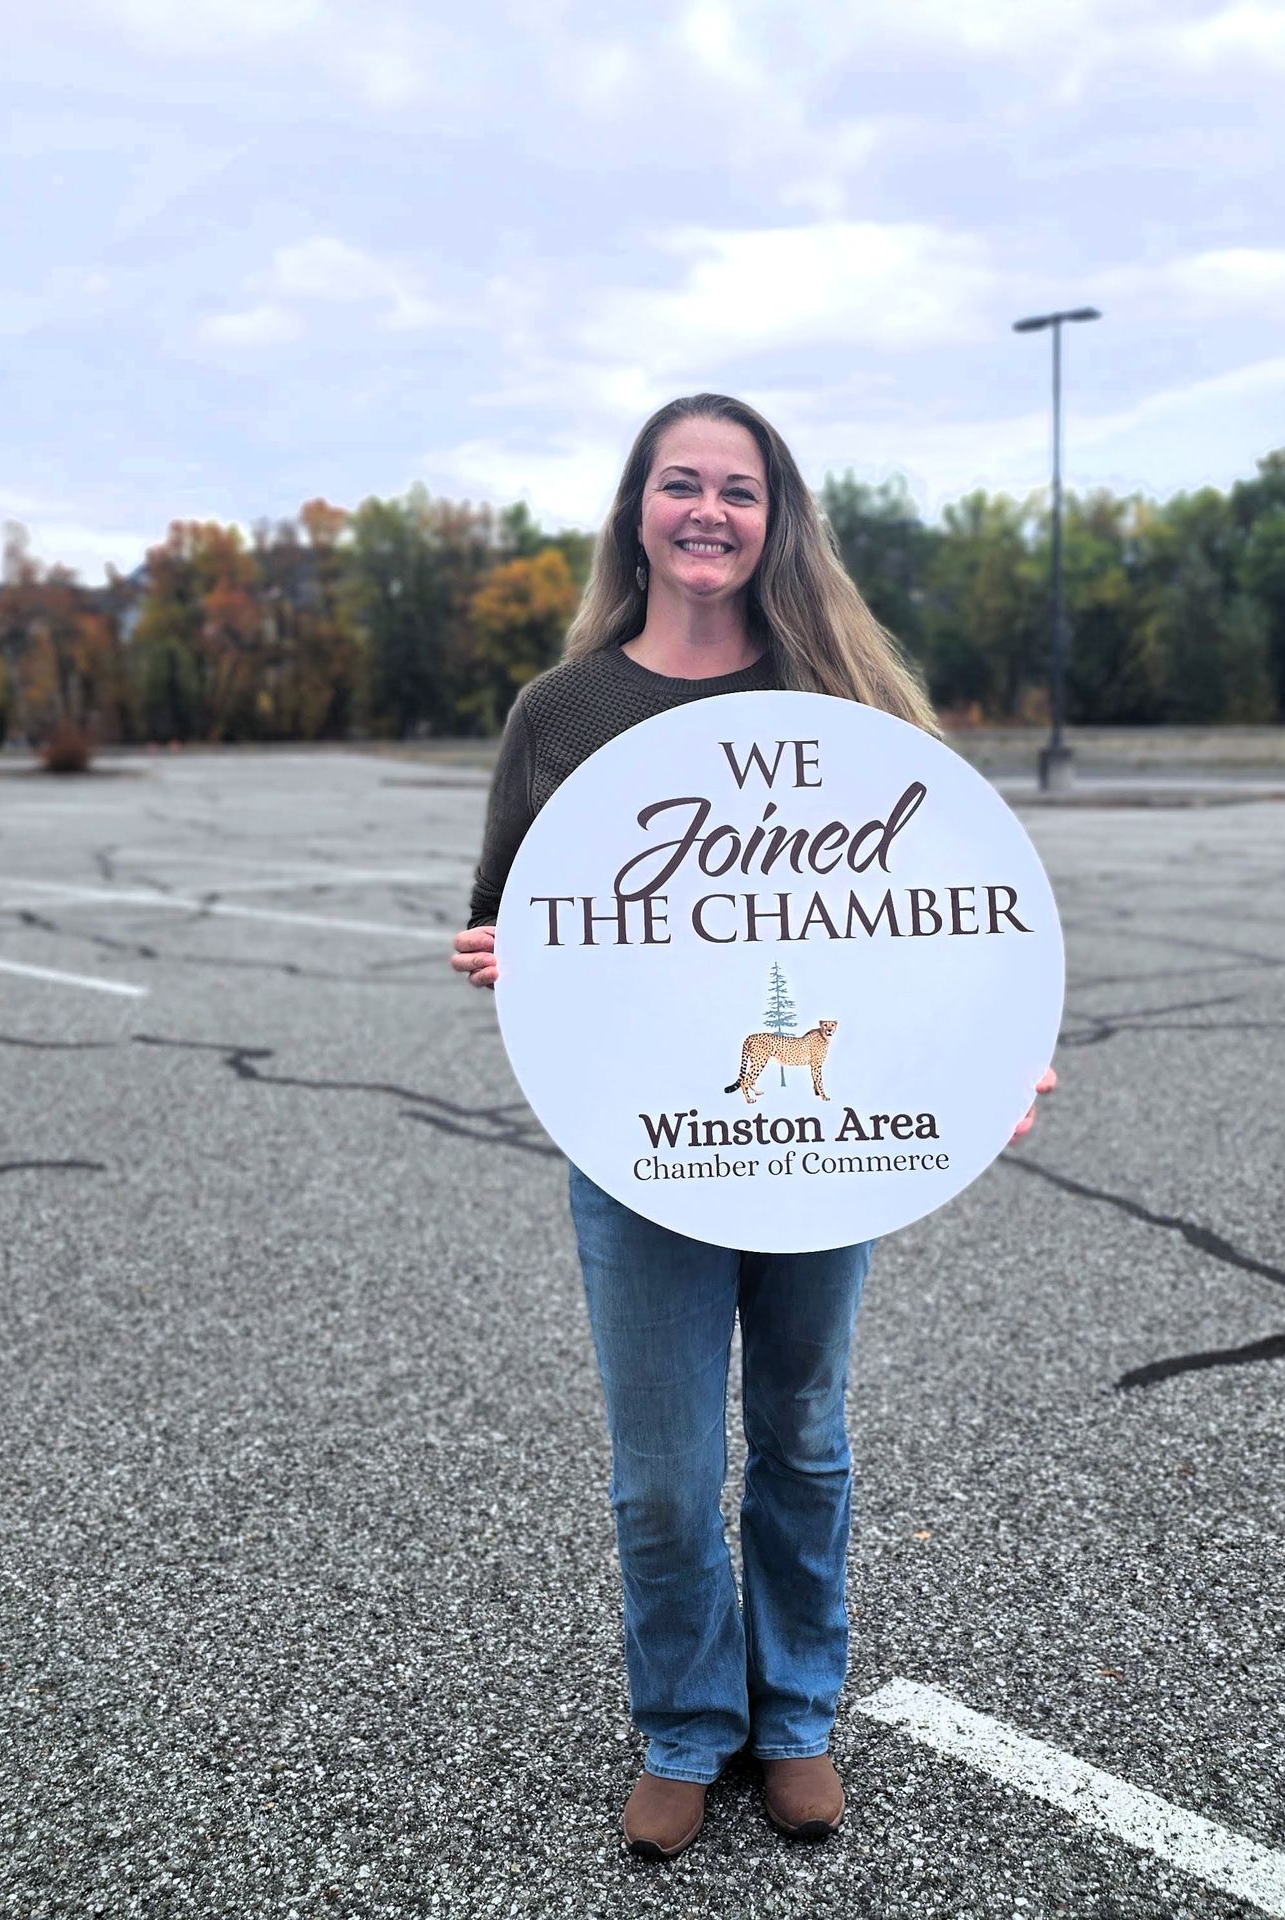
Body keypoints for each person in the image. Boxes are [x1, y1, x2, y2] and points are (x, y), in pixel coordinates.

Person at [451, 393, 1057, 1861]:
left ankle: (792, 1719)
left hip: (825, 1149)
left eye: (739, 488)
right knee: (662, 1472)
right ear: (636, 511)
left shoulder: (840, 701)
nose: (709, 510)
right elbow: (507, 910)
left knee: (800, 1432)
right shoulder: (565, 710)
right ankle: (682, 1725)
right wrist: (494, 952)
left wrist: (995, 1059)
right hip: (639, 1142)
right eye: (681, 484)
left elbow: (937, 923)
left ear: (776, 519)